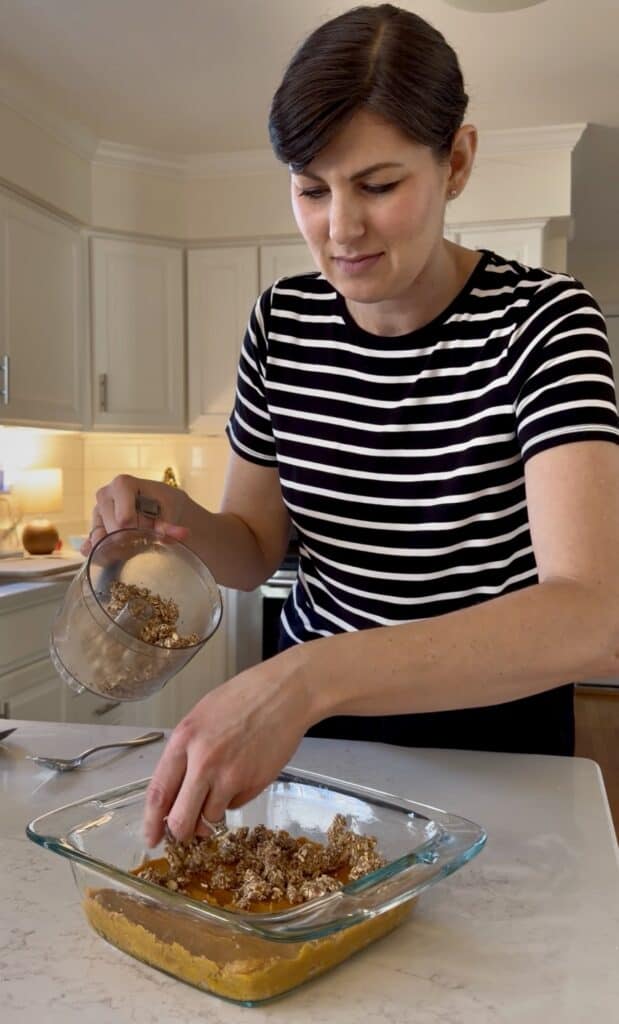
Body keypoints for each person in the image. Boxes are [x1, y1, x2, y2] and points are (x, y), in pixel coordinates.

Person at [83, 4, 619, 847]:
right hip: (322, 749)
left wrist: (305, 677)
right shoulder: (281, 321)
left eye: (377, 185)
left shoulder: (543, 322)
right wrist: (164, 518)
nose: (339, 229)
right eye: (310, 188)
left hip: (496, 744)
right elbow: (255, 547)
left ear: (457, 161)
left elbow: (590, 614)